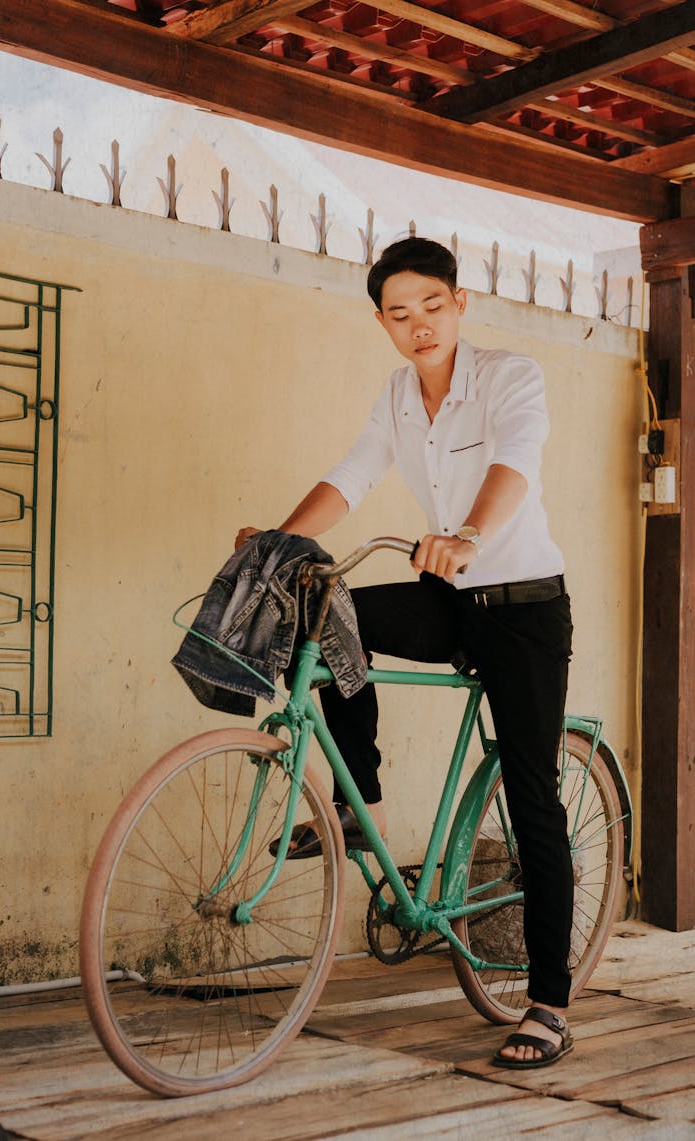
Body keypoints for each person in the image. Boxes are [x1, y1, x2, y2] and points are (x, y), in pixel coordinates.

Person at [235, 236, 574, 1070]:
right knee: (325, 605)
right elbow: (350, 477)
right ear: (382, 323)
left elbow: (515, 461)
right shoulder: (397, 394)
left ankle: (549, 1004)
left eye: (431, 306)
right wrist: (277, 540)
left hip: (524, 606)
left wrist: (465, 534)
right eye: (399, 313)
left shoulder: (509, 375)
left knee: (532, 792)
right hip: (450, 601)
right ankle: (363, 802)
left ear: (459, 304)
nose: (418, 325)